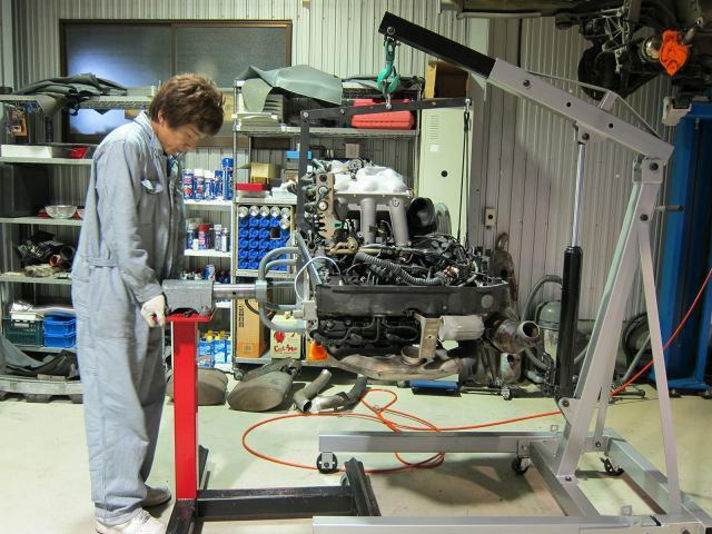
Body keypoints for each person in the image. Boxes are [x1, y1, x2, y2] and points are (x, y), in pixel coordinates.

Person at [71, 74, 224, 534]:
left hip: (144, 288)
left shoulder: (161, 154)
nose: (190, 146)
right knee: (117, 400)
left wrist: (168, 285)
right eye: (189, 135)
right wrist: (146, 287)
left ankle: (130, 487)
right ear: (162, 115)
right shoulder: (124, 147)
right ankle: (115, 511)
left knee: (147, 393)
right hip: (113, 289)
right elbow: (122, 230)